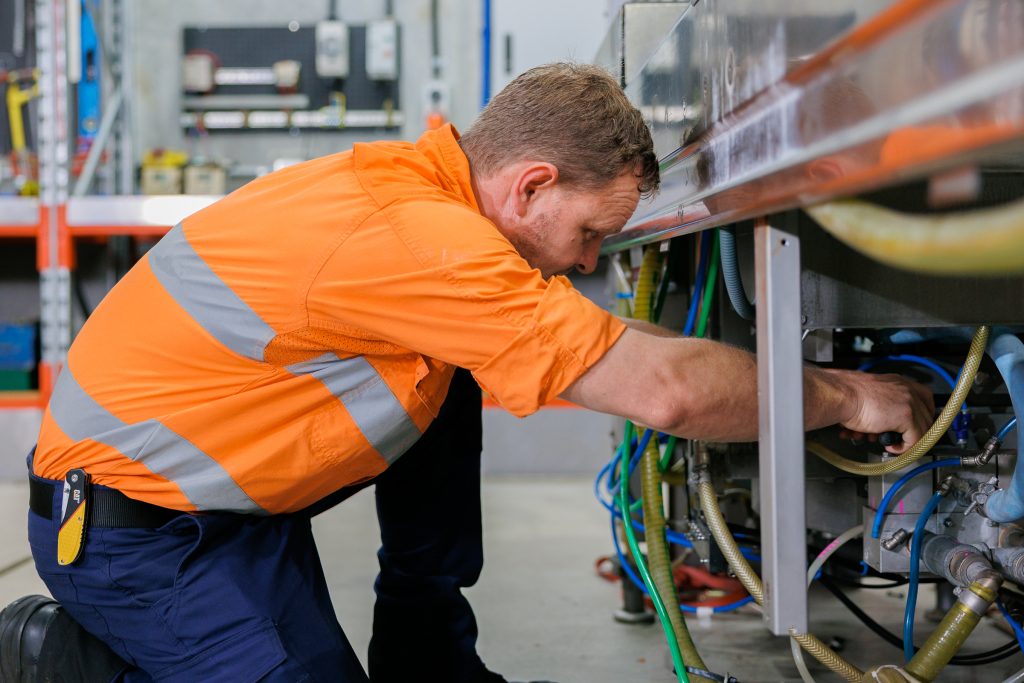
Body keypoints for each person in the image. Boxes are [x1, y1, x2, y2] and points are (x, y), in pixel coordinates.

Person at [0, 62, 933, 683]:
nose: (583, 263)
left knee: (451, 377)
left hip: (229, 511)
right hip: (132, 535)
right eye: (590, 235)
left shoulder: (420, 192)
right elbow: (667, 390)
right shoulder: (417, 239)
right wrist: (845, 394)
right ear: (529, 185)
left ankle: (427, 663)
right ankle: (52, 653)